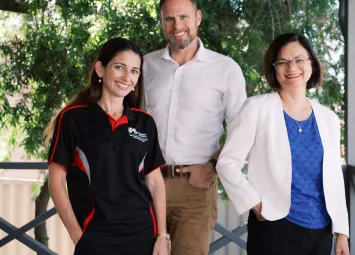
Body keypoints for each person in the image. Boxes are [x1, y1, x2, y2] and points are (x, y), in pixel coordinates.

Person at [216, 33, 350, 255]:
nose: (292, 67)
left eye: (299, 59)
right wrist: (254, 203)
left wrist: (342, 232)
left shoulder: (329, 119)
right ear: (274, 68)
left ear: (312, 64)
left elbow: (334, 177)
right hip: (274, 226)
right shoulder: (256, 108)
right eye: (283, 62)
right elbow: (226, 163)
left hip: (321, 231)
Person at [45, 38, 169, 255]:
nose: (126, 77)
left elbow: (155, 183)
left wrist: (162, 236)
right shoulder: (73, 119)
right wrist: (77, 235)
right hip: (95, 237)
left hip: (142, 235)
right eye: (119, 67)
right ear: (100, 69)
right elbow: (56, 182)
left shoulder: (144, 122)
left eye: (134, 71)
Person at [142, 0, 247, 254]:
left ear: (198, 17)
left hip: (195, 188)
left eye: (184, 17)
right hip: (145, 185)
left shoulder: (226, 69)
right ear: (161, 21)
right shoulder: (145, 66)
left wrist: (212, 167)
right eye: (169, 19)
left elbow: (243, 131)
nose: (177, 25)